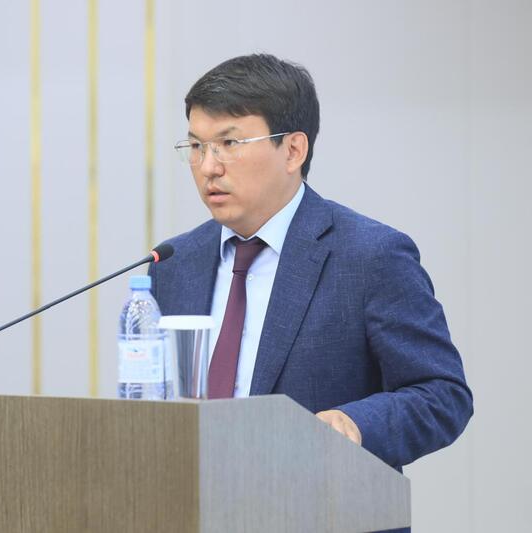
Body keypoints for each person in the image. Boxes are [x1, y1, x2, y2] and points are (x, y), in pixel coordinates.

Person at [148, 53, 472, 470]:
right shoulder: (174, 263)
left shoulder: (370, 256)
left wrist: (355, 424)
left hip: (319, 496)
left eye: (229, 144)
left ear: (293, 150)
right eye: (196, 146)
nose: (208, 167)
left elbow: (442, 394)